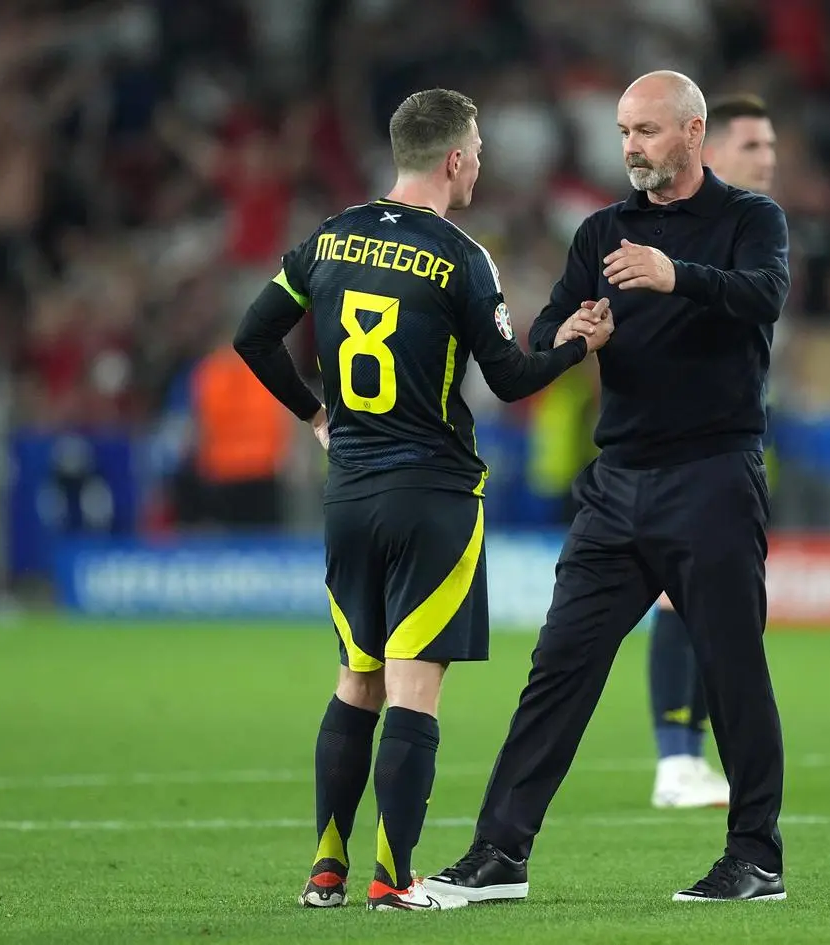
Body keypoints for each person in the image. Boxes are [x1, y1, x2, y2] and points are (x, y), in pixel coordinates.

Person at [232, 87, 613, 913]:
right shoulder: (460, 258)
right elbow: (511, 380)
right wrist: (576, 343)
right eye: (476, 147)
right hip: (432, 493)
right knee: (413, 689)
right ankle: (393, 877)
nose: (480, 160)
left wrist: (314, 415)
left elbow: (251, 336)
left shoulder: (328, 239)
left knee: (354, 681)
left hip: (351, 496)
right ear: (453, 158)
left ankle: (325, 871)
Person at [423, 71, 790, 905]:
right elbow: (549, 323)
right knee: (559, 665)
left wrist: (676, 274)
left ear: (694, 133)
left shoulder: (748, 219)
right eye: (624, 131)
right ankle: (500, 852)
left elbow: (766, 295)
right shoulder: (600, 231)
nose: (630, 146)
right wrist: (573, 334)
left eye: (647, 131)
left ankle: (755, 857)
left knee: (732, 672)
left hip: (712, 479)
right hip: (617, 484)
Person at [647, 93, 777, 809]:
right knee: (679, 597)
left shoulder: (754, 229)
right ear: (711, 149)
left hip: (730, 447)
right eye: (755, 146)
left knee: (718, 606)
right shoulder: (675, 231)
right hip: (671, 451)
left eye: (771, 146)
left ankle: (687, 758)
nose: (770, 159)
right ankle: (676, 759)